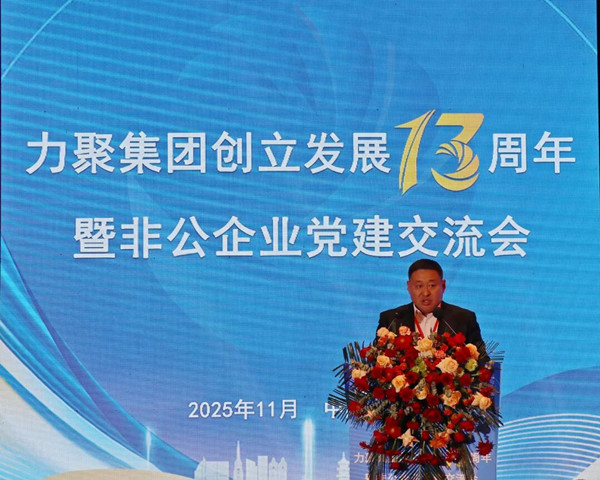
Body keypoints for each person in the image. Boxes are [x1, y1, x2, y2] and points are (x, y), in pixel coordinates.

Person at [377, 259, 485, 350]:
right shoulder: (392, 319)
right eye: (419, 286)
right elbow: (375, 360)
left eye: (432, 285)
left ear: (443, 285)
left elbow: (482, 361)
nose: (426, 293)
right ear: (409, 287)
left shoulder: (464, 318)